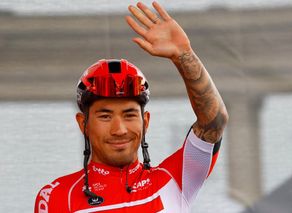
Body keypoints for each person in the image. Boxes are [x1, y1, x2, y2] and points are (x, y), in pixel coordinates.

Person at [34, 1, 228, 212]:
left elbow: (214, 121)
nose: (119, 130)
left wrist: (184, 55)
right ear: (84, 124)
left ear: (145, 122)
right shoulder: (56, 197)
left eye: (129, 115)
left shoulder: (175, 179)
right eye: (105, 116)